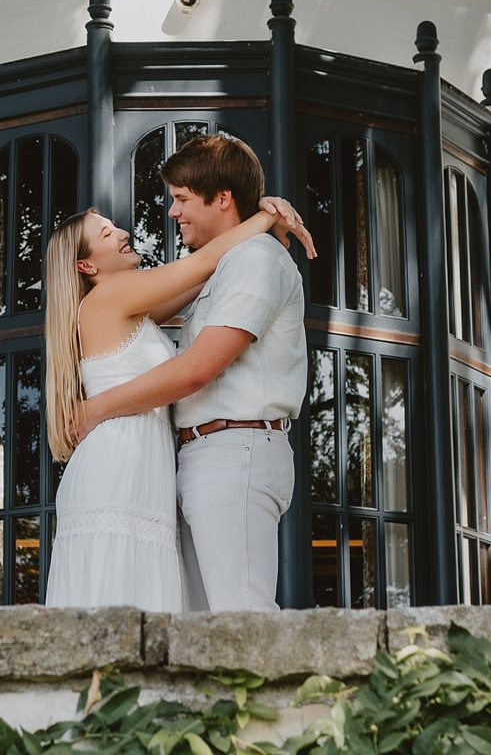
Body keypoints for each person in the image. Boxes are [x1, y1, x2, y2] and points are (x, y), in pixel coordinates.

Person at [41, 195, 312, 609]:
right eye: (107, 233)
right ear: (86, 266)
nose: (124, 233)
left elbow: (208, 277)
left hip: (133, 462)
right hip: (119, 466)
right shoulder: (111, 296)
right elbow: (200, 264)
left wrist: (260, 232)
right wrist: (266, 216)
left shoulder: (123, 306)